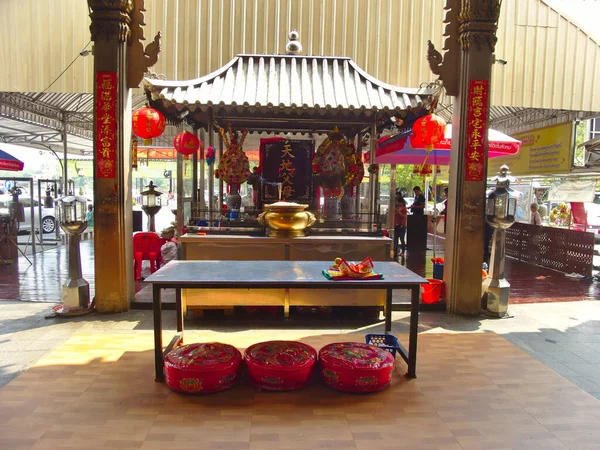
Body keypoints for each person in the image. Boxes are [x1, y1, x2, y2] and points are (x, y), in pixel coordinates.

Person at [393, 191, 408, 259]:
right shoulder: (397, 208)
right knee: (396, 238)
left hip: (402, 225)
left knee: (402, 238)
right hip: (396, 224)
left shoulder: (404, 209)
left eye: (399, 202)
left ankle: (403, 251)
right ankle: (395, 250)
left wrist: (398, 212)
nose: (398, 203)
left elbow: (404, 217)